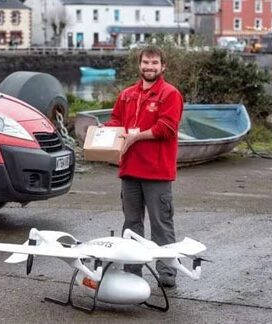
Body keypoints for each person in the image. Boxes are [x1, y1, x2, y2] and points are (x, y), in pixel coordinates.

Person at [104, 45, 183, 288]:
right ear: (139, 65)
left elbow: (167, 128)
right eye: (146, 63)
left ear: (163, 66)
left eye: (154, 63)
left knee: (161, 225)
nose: (149, 67)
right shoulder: (127, 94)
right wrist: (102, 133)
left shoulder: (170, 94)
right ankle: (132, 272)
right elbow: (116, 120)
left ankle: (167, 274)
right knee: (131, 225)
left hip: (157, 173)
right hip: (129, 171)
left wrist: (136, 137)